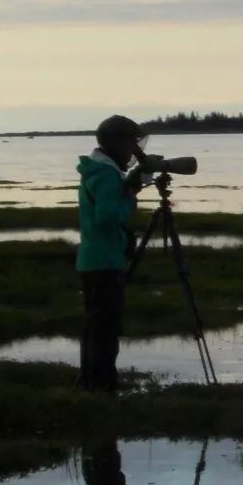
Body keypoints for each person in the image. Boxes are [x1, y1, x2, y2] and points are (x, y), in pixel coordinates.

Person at [78, 115, 147, 392]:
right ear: (116, 143)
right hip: (103, 262)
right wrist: (129, 200)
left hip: (96, 259)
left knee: (98, 327)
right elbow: (107, 219)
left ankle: (94, 382)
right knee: (105, 330)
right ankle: (102, 385)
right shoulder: (105, 176)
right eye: (131, 142)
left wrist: (129, 184)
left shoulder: (99, 171)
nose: (133, 149)